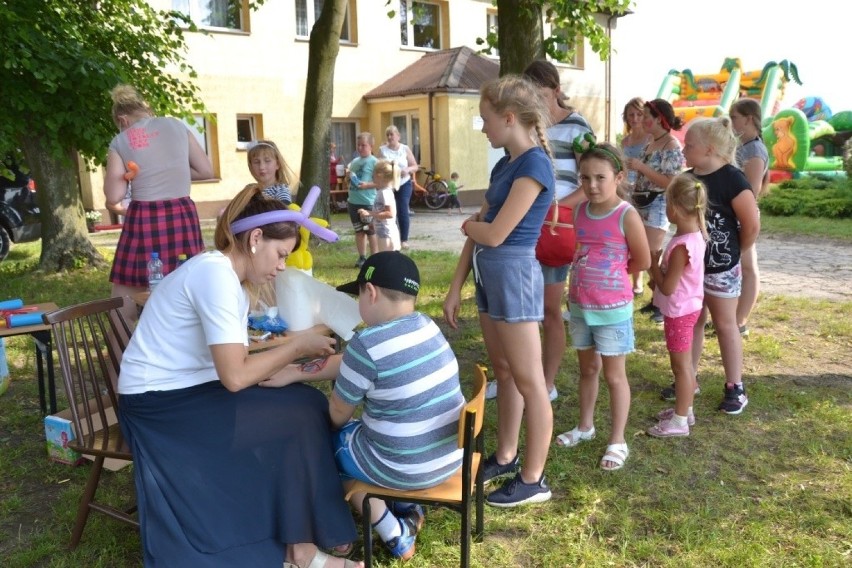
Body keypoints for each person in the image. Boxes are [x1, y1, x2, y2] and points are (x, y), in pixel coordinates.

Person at [117, 184, 363, 568]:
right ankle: (301, 549)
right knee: (299, 411)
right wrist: (296, 348)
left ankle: (301, 541)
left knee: (304, 402)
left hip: (189, 390)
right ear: (255, 238)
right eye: (280, 254)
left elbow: (237, 355)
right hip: (158, 406)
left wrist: (289, 364)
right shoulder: (214, 276)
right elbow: (234, 376)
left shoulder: (225, 276)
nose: (282, 265)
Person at [261, 252, 465, 562]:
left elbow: (337, 415)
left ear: (370, 292)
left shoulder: (366, 344)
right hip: (446, 458)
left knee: (323, 450)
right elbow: (354, 364)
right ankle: (405, 506)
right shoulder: (425, 325)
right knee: (358, 436)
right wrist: (295, 371)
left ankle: (394, 533)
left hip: (403, 467)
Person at [443, 74, 555, 507]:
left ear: (509, 118)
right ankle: (507, 456)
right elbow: (478, 235)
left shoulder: (535, 164)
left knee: (530, 381)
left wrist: (471, 224)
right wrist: (455, 287)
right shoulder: (503, 165)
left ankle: (533, 479)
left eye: (485, 120)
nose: (483, 128)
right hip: (489, 276)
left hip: (514, 276)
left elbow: (495, 233)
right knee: (504, 372)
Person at [554, 138, 650, 471]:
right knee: (587, 370)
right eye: (585, 178)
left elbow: (643, 258)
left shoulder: (626, 214)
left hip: (612, 310)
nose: (591, 185)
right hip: (580, 305)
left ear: (619, 177)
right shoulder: (579, 211)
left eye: (600, 178)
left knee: (614, 376)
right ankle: (585, 426)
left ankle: (618, 439)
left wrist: (614, 277)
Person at [103, 84, 213, 322]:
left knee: (123, 305)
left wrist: (134, 177)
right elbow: (206, 170)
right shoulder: (176, 125)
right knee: (186, 288)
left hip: (144, 219)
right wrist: (173, 170)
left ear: (122, 119)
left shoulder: (121, 140)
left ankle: (118, 355)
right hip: (182, 216)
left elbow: (113, 196)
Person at [521, 59, 595, 403]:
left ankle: (546, 382)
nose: (535, 99)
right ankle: (522, 378)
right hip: (524, 226)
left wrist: (561, 208)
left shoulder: (577, 127)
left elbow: (593, 177)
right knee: (522, 309)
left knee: (550, 310)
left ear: (555, 90)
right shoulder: (527, 126)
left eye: (540, 92)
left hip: (556, 228)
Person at [682, 117, 760, 415]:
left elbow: (751, 225)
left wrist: (735, 251)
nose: (684, 149)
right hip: (691, 267)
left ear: (709, 149)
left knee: (726, 324)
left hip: (722, 267)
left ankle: (734, 386)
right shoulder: (688, 179)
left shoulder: (733, 180)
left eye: (689, 145)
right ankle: (689, 377)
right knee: (693, 321)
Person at [647, 174, 708, 438]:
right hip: (688, 308)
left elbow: (669, 287)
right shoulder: (694, 236)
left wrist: (652, 266)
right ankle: (685, 410)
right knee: (682, 366)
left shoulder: (683, 245)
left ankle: (681, 421)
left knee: (681, 367)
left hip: (680, 312)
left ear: (673, 208)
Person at [624, 99, 685, 324]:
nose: (642, 119)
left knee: (651, 254)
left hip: (659, 204)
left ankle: (665, 297)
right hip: (640, 203)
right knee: (646, 254)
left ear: (659, 118)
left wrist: (641, 167)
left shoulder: (671, 145)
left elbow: (670, 182)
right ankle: (658, 299)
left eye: (646, 115)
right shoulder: (652, 142)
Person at [730, 98, 769, 337]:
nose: (731, 122)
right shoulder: (743, 146)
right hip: (735, 213)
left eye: (734, 117)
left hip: (742, 215)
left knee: (748, 267)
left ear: (749, 119)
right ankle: (734, 318)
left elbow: (750, 191)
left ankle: (740, 321)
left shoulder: (754, 149)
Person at [620, 97, 653, 295]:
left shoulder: (650, 139)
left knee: (643, 236)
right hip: (626, 189)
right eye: (630, 114)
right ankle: (636, 279)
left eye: (638, 114)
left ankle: (641, 278)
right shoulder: (625, 141)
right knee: (627, 235)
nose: (634, 118)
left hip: (644, 189)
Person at [378, 125, 419, 249]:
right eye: (388, 135)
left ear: (398, 136)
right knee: (390, 212)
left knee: (402, 209)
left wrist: (407, 169)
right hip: (388, 185)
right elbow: (378, 167)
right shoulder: (382, 150)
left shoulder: (404, 149)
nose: (390, 137)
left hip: (403, 183)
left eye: (392, 134)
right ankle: (392, 237)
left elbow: (415, 166)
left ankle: (404, 239)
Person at [347, 132, 379, 268]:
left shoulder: (375, 162)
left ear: (371, 146)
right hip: (353, 202)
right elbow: (350, 180)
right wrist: (348, 176)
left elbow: (380, 183)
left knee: (369, 231)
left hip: (367, 203)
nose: (360, 148)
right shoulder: (354, 162)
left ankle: (375, 258)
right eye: (358, 145)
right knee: (359, 231)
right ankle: (362, 257)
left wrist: (367, 185)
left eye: (363, 145)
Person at [360, 159, 400, 251]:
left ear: (379, 175)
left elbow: (389, 214)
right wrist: (372, 224)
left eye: (373, 173)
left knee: (386, 260)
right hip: (383, 233)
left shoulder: (385, 193)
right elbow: (381, 211)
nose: (372, 176)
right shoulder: (381, 191)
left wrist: (369, 213)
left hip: (387, 235)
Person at [247, 140, 295, 205]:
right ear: (251, 165)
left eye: (267, 161)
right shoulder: (249, 189)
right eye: (256, 162)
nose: (261, 167)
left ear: (277, 164)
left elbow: (283, 212)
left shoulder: (280, 190)